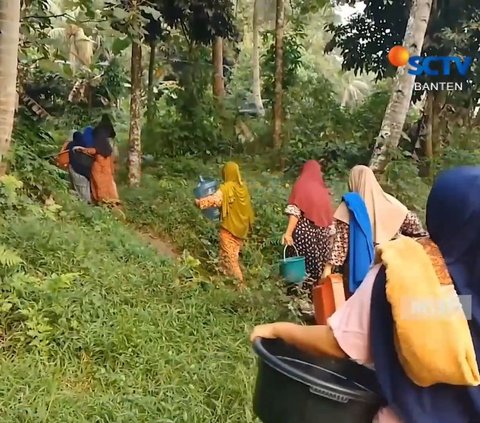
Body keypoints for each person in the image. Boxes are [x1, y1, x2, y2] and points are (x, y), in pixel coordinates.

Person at [250, 166, 480, 422]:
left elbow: (340, 344)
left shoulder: (404, 279)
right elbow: (457, 309)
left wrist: (280, 330)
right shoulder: (394, 207)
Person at [322, 165, 427, 281]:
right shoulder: (391, 202)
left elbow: (341, 245)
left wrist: (328, 268)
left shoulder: (350, 207)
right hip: (394, 264)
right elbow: (417, 229)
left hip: (364, 268)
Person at [195, 162, 254, 286]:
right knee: (228, 256)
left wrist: (200, 202)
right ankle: (226, 283)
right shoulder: (243, 189)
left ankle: (240, 287)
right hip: (241, 230)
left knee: (231, 259)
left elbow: (215, 200)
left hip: (229, 229)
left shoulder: (226, 188)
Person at [282, 160, 334, 282]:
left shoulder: (301, 185)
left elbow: (295, 211)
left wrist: (288, 233)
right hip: (322, 236)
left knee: (300, 268)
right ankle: (316, 297)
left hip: (304, 235)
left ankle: (298, 295)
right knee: (317, 269)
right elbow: (329, 219)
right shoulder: (323, 191)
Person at [75, 125, 119, 205]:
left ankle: (103, 203)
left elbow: (93, 151)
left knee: (99, 187)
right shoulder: (107, 147)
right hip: (107, 169)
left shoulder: (97, 144)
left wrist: (83, 150)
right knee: (109, 187)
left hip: (98, 169)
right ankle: (112, 202)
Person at [68, 131, 93, 203]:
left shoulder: (71, 145)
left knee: (77, 189)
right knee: (85, 191)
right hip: (84, 173)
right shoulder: (86, 148)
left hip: (74, 170)